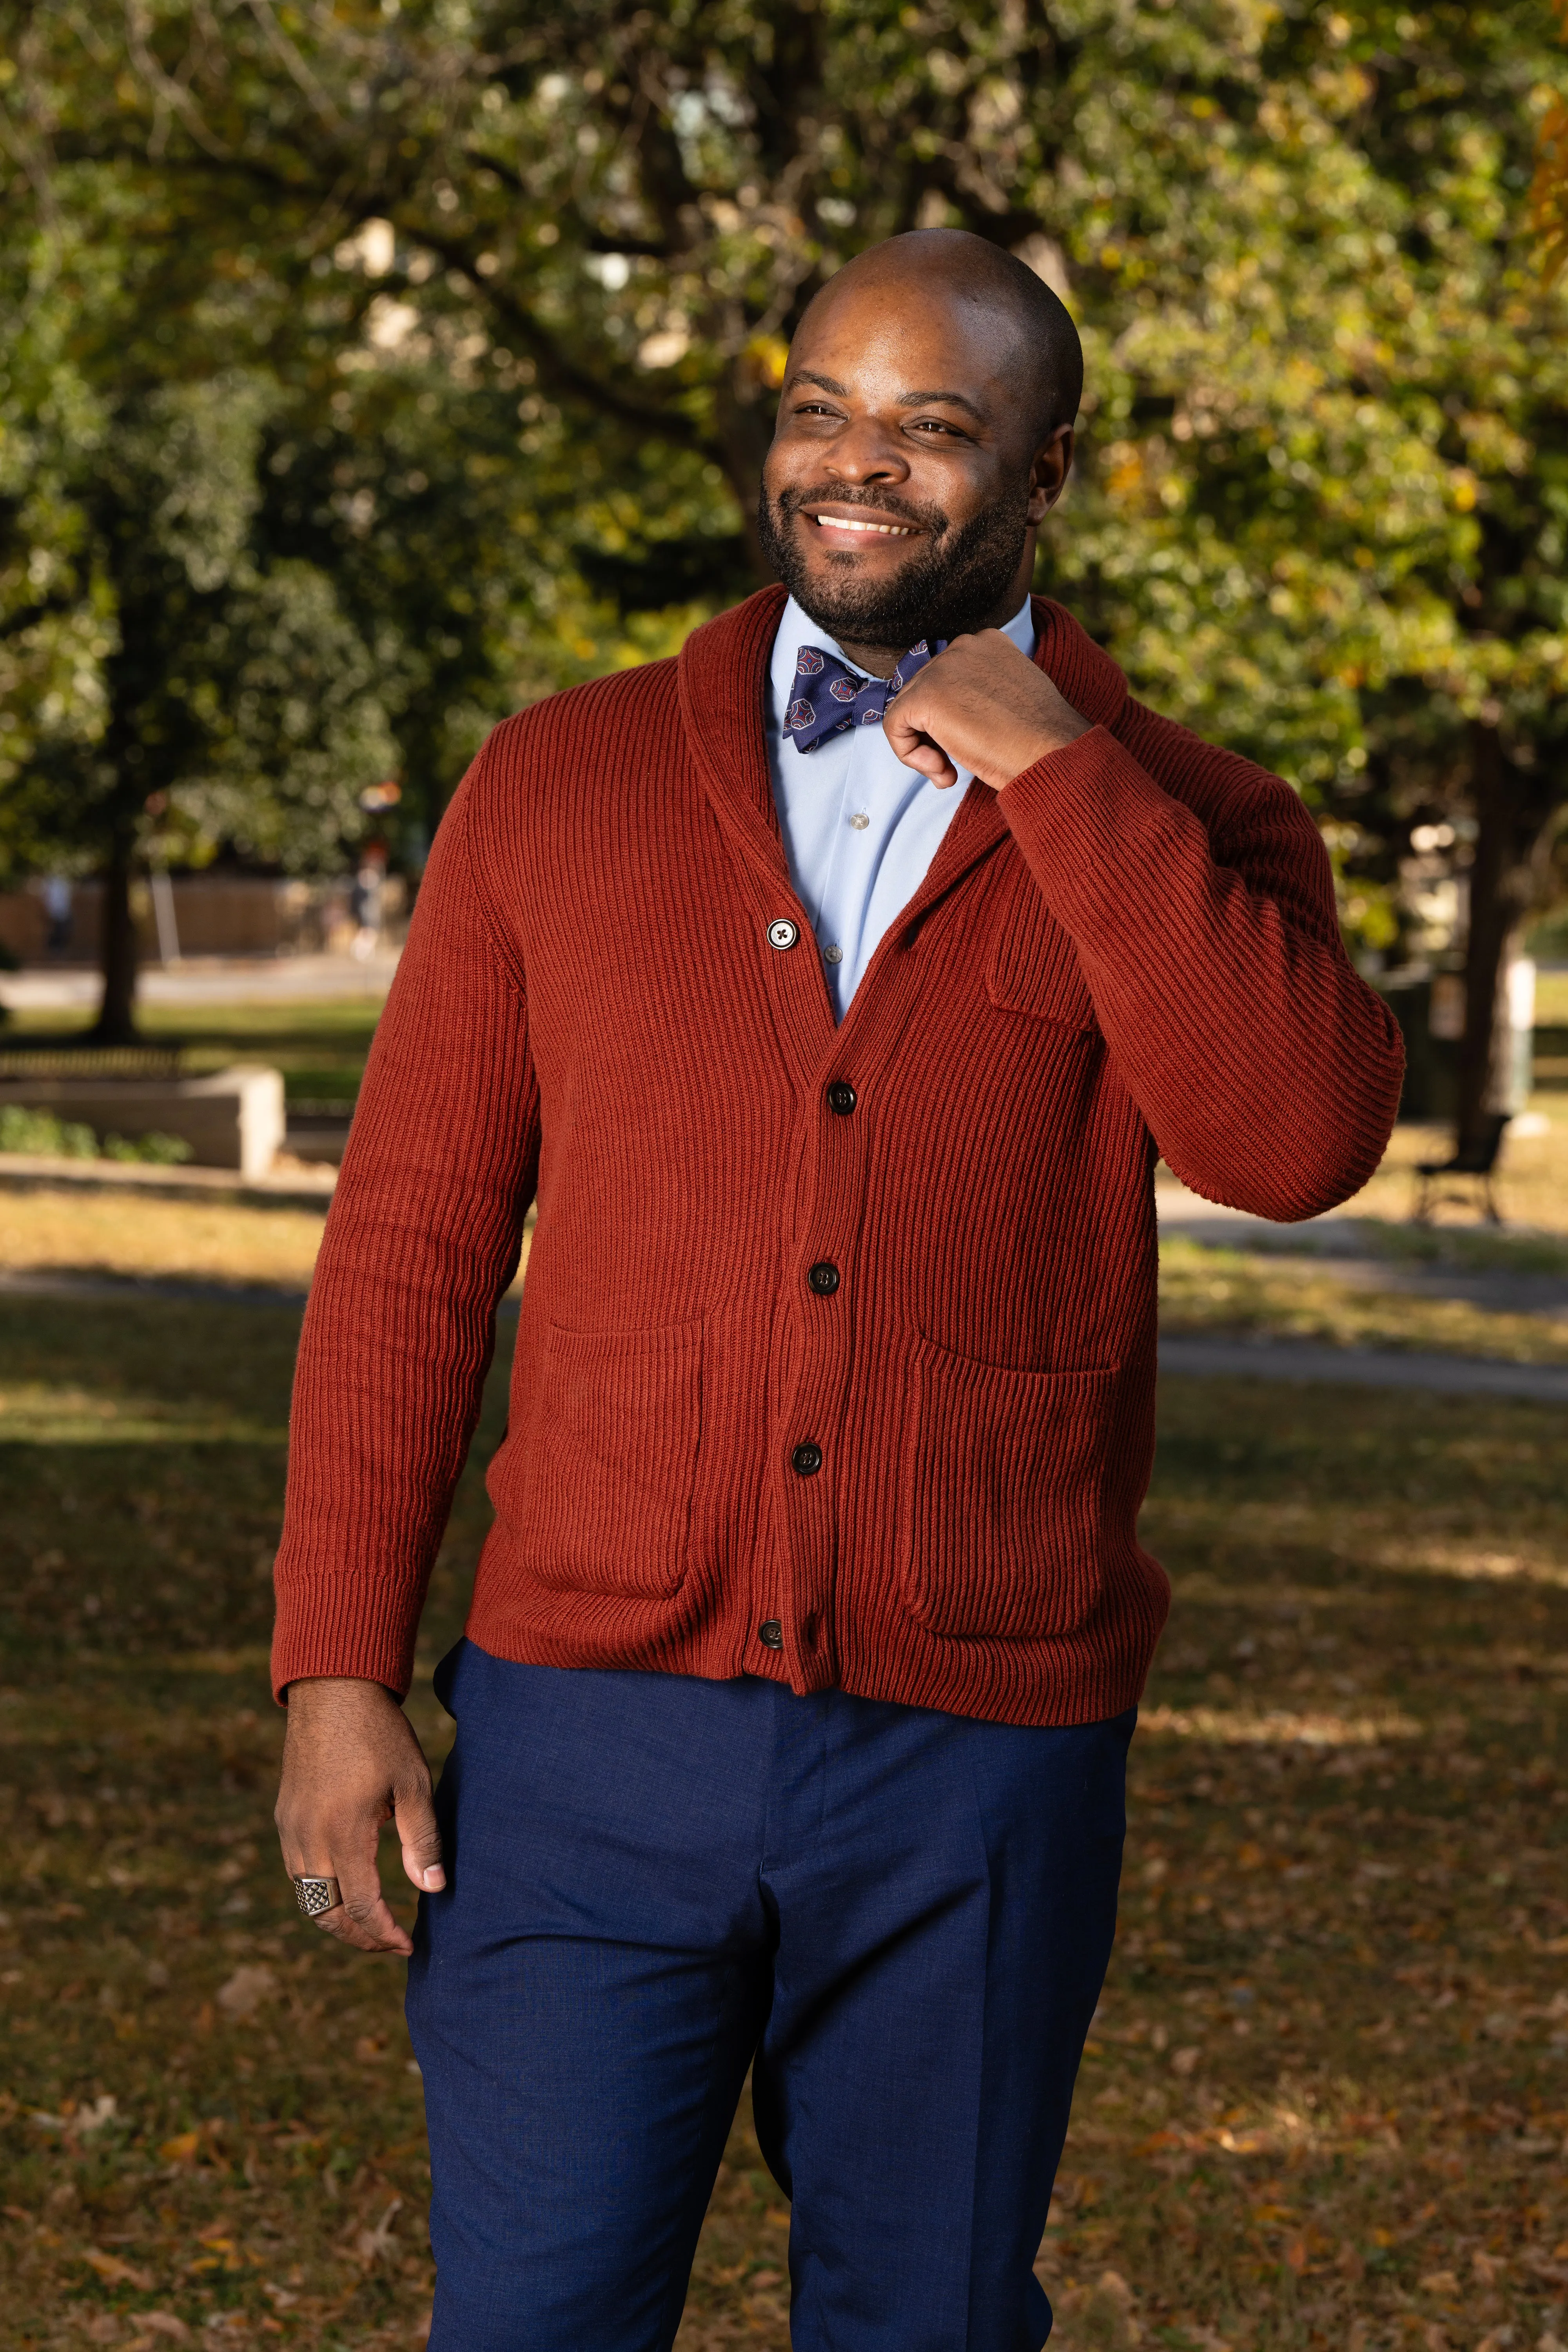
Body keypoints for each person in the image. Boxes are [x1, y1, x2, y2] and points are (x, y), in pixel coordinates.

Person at [272, 229, 1403, 2351]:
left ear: (1044, 473)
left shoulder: (1193, 818)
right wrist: (338, 1673)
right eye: (822, 408)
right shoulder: (564, 784)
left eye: (932, 426)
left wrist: (1063, 777)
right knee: (529, 2324)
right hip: (583, 1744)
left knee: (933, 2326)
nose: (856, 464)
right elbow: (410, 1247)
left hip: (976, 1753)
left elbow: (1295, 1138)